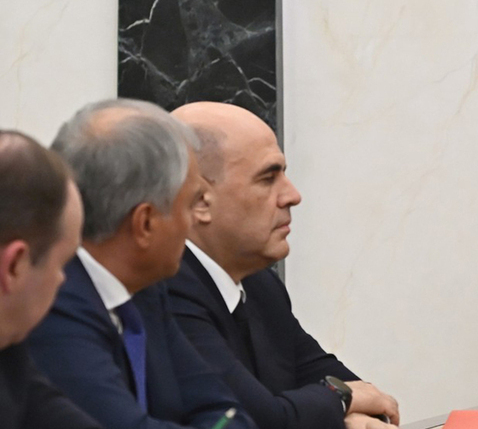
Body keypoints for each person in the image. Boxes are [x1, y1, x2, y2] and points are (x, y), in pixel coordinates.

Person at [166, 101, 399, 429]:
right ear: (200, 201)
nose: (292, 195)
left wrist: (343, 408)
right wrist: (339, 406)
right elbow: (254, 418)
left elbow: (362, 394)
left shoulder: (260, 285)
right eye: (267, 178)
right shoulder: (166, 287)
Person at [24, 99, 256, 429]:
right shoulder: (53, 305)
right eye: (190, 204)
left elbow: (226, 411)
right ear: (145, 223)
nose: (193, 222)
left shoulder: (146, 288)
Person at [0, 129, 100, 428]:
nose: (62, 280)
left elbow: (45, 408)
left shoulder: (9, 344)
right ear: (15, 265)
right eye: (63, 264)